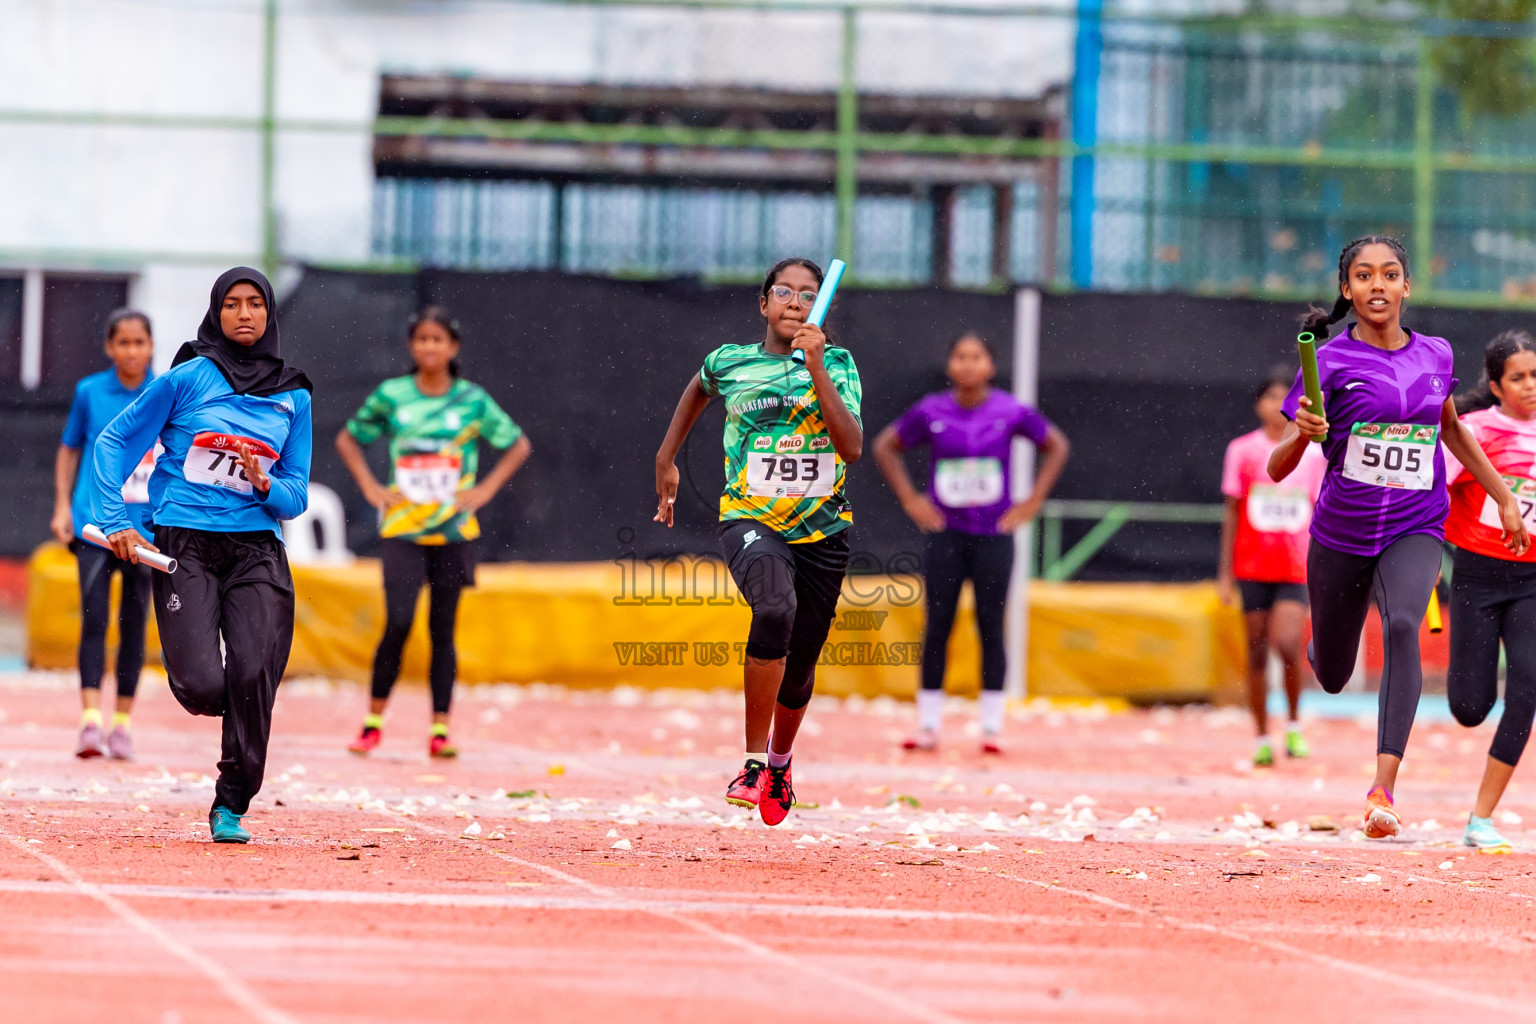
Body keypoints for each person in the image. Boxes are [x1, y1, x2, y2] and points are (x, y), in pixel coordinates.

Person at [1268, 235, 1527, 840]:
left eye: (1389, 274)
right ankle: (1326, 646)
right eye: (1363, 275)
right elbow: (1279, 467)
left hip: (1416, 520)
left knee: (1406, 624)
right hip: (1342, 532)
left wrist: (1503, 495)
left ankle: (1383, 786)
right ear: (1347, 289)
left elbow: (1454, 433)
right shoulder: (1327, 362)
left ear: (1407, 286)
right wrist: (1303, 433)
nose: (1377, 285)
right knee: (1332, 672)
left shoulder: (1435, 355)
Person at [89, 267, 312, 844]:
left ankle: (231, 803)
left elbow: (297, 494)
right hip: (184, 544)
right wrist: (117, 520)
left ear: (268, 315)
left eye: (255, 304)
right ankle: (233, 703)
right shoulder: (188, 378)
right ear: (217, 312)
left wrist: (266, 485)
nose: (245, 314)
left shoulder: (294, 394)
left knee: (255, 670)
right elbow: (114, 440)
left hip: (257, 550)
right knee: (203, 686)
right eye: (232, 304)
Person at [653, 257, 862, 826]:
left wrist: (816, 366)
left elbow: (851, 449)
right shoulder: (731, 362)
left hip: (823, 530)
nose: (795, 302)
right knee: (774, 609)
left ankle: (779, 763)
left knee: (800, 666)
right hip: (751, 518)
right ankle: (749, 763)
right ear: (764, 303)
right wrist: (666, 457)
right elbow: (696, 390)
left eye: (808, 295)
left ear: (822, 308)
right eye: (784, 292)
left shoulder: (839, 365)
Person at [337, 305, 530, 758]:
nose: (429, 346)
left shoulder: (472, 401)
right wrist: (369, 486)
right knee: (399, 623)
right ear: (411, 346)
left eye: (438, 339)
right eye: (421, 339)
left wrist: (483, 491)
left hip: (454, 532)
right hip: (403, 530)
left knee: (443, 631)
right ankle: (372, 722)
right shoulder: (392, 395)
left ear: (453, 347)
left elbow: (518, 444)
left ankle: (440, 730)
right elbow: (349, 438)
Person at [872, 333, 1069, 754]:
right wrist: (910, 499)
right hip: (945, 534)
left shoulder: (1009, 410)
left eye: (976, 357)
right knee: (938, 625)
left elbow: (1056, 446)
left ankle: (992, 728)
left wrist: (1032, 500)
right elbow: (886, 446)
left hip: (994, 536)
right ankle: (927, 725)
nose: (967, 364)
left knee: (990, 625)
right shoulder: (931, 410)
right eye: (959, 356)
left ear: (990, 367)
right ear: (950, 366)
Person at [1443, 330, 1536, 850]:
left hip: (1532, 581)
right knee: (1470, 708)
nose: (1530, 386)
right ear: (1497, 386)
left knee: (1527, 691)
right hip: (1477, 576)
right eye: (1518, 378)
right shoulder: (1472, 430)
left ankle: (1481, 817)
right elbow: (1432, 493)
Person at [51, 309, 157, 760]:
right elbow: (69, 448)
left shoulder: (166, 391)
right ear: (110, 347)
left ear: (151, 346)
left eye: (140, 342)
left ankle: (122, 725)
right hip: (94, 525)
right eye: (124, 343)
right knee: (94, 618)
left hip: (145, 529)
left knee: (135, 624)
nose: (132, 351)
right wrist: (61, 506)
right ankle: (90, 722)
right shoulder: (90, 392)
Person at [1218, 370, 1327, 767]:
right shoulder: (1242, 451)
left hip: (1296, 568)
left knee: (1286, 643)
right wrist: (1225, 575)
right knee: (1256, 652)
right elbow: (1232, 513)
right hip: (1252, 566)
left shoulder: (1314, 455)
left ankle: (1294, 725)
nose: (1277, 407)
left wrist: (1325, 569)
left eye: (1287, 399)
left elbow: (1322, 514)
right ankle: (1262, 735)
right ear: (1258, 404)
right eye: (1270, 398)